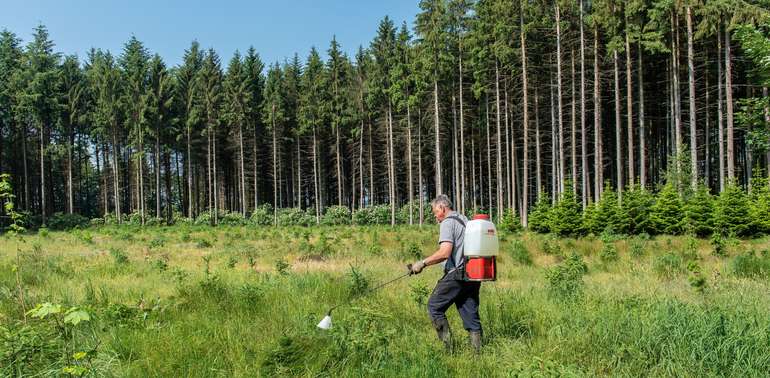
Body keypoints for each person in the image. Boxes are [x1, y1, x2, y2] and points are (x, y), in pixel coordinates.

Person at [409, 194, 482, 353]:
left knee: (434, 306)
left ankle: (449, 351)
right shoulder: (464, 219)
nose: (435, 217)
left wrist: (422, 263)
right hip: (473, 274)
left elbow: (444, 252)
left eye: (435, 212)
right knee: (470, 314)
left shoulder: (448, 223)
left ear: (442, 208)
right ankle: (477, 355)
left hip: (457, 274)